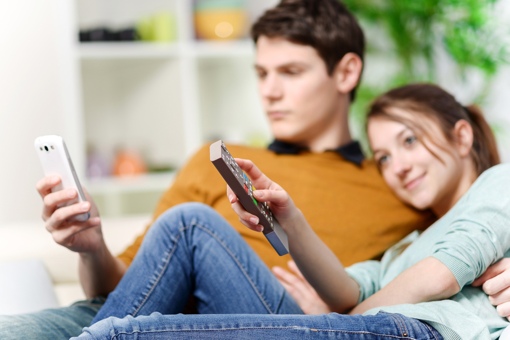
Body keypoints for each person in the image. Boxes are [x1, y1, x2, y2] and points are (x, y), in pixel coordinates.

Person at [0, 0, 506, 338]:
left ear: (346, 72)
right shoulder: (215, 158)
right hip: (133, 305)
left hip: (259, 320)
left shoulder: (399, 187)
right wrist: (90, 249)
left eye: (290, 72)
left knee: (191, 223)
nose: (269, 91)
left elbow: (458, 247)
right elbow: (122, 286)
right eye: (261, 73)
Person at [71, 83, 509, 339]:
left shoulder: (499, 183)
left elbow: (441, 275)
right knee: (188, 223)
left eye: (409, 141)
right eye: (385, 157)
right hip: (374, 324)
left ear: (463, 137)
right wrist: (290, 219)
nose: (399, 166)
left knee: (123, 335)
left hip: (417, 332)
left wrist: (343, 319)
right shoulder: (410, 244)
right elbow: (345, 291)